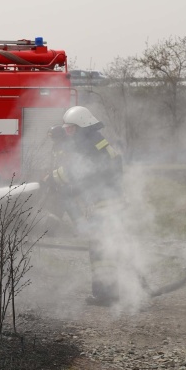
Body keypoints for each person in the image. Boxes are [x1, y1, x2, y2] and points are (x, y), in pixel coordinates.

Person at [50, 106, 124, 306]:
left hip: (105, 203)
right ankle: (106, 293)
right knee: (101, 248)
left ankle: (107, 295)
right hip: (106, 200)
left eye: (70, 129)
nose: (68, 133)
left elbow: (77, 171)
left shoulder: (89, 143)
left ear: (81, 126)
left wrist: (52, 178)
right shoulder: (94, 140)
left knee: (101, 250)